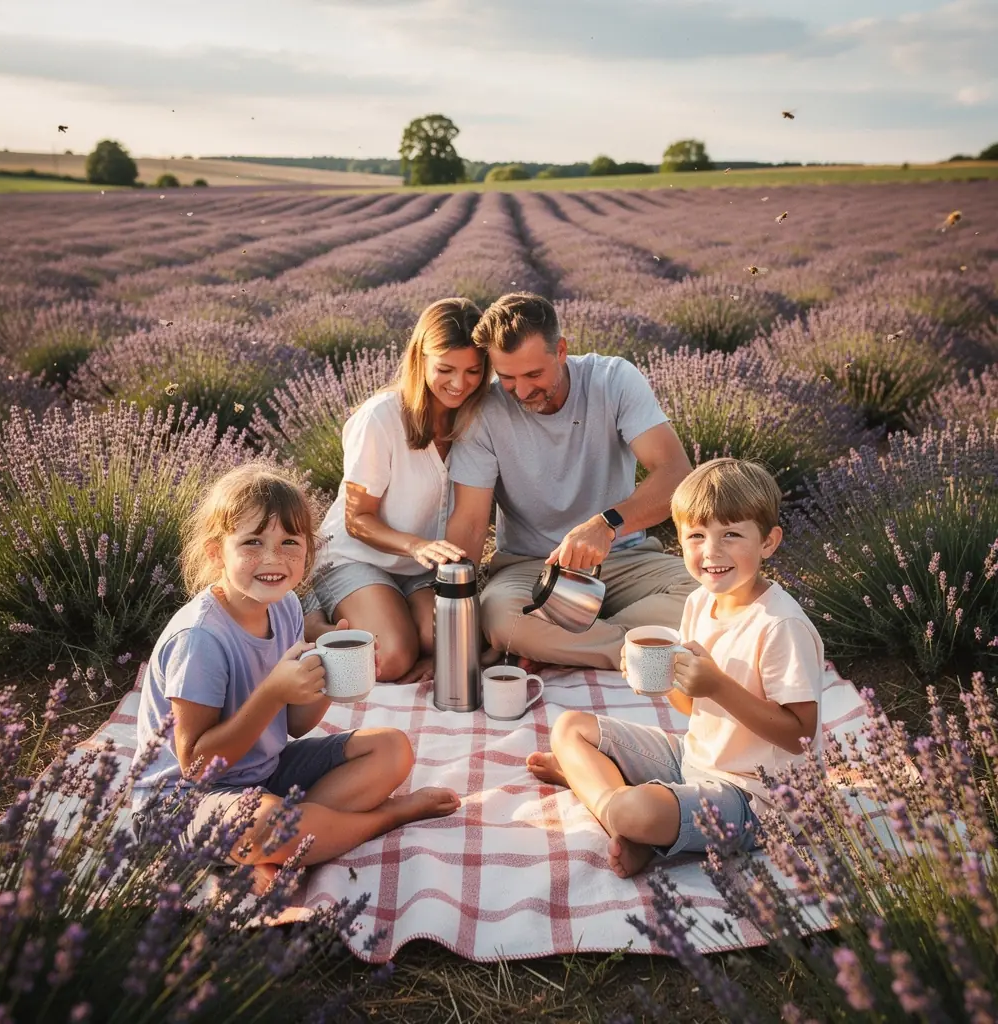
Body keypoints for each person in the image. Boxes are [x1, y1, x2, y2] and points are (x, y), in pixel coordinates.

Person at [131, 464, 460, 890]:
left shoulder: (285, 607)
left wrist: (328, 671)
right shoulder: (201, 639)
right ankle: (384, 817)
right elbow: (195, 765)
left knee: (392, 749)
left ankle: (280, 846)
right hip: (183, 806)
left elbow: (297, 724)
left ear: (309, 551)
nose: (273, 559)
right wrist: (271, 693)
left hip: (263, 774)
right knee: (267, 824)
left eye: (290, 542)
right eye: (252, 542)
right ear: (216, 554)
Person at [527, 458, 824, 878]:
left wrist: (718, 686)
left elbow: (800, 737)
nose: (712, 552)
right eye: (697, 536)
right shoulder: (699, 602)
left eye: (732, 535)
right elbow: (691, 707)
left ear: (769, 542)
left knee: (635, 808)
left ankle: (612, 803)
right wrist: (659, 678)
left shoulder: (780, 626)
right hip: (695, 759)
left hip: (759, 799)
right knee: (569, 728)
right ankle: (632, 819)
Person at [444, 292, 697, 670]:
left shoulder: (613, 380)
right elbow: (471, 521)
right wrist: (451, 610)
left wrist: (606, 525)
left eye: (534, 374)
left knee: (708, 593)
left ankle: (560, 643)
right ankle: (637, 651)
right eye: (508, 378)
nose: (523, 392)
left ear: (561, 350)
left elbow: (676, 475)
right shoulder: (482, 412)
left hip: (623, 560)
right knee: (498, 616)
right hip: (532, 571)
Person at [303, 297, 489, 683]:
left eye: (473, 370)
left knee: (448, 641)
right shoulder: (382, 417)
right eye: (445, 369)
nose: (460, 384)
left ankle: (394, 619)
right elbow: (356, 519)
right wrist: (417, 546)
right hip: (357, 556)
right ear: (420, 359)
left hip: (419, 569)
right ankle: (309, 619)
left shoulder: (478, 419)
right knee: (390, 658)